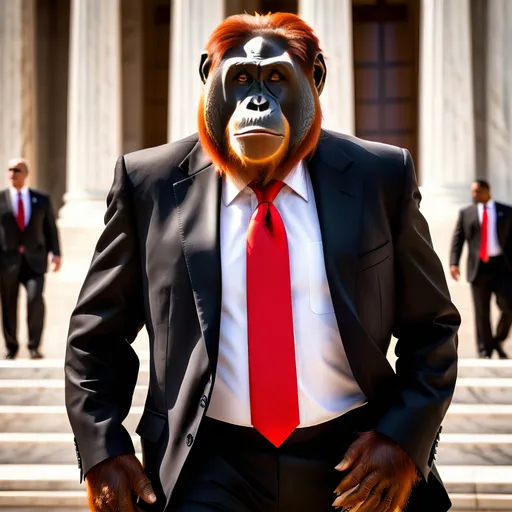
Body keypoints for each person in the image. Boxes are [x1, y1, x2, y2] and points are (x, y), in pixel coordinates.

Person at [65, 13, 460, 512]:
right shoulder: (150, 183)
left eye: (276, 79)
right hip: (207, 460)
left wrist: (403, 442)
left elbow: (433, 328)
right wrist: (102, 449)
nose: (257, 101)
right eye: (240, 81)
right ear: (208, 76)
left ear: (314, 79)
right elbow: (96, 333)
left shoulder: (378, 177)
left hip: (353, 453)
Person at [0, 158, 61, 359]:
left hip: (35, 260)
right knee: (8, 304)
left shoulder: (41, 199)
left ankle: (34, 346)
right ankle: (12, 347)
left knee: (35, 299)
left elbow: (50, 228)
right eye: (10, 170)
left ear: (26, 174)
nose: (12, 174)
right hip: (7, 261)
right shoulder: (0, 199)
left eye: (17, 170)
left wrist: (57, 253)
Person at [450, 179, 512, 358]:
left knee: (508, 305)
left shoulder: (506, 211)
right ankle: (485, 350)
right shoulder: (466, 213)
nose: (474, 195)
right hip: (478, 268)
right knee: (481, 312)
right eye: (473, 192)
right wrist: (454, 263)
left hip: (502, 266)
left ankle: (497, 340)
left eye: (477, 191)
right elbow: (458, 239)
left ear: (487, 191)